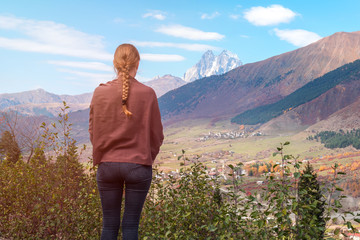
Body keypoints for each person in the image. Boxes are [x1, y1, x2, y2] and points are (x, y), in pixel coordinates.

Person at [89, 43, 164, 240]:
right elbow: (157, 135)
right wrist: (146, 159)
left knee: (109, 226)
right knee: (131, 227)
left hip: (107, 166)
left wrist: (104, 156)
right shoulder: (148, 94)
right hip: (138, 166)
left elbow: (93, 131)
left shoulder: (99, 93)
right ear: (138, 63)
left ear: (114, 63)